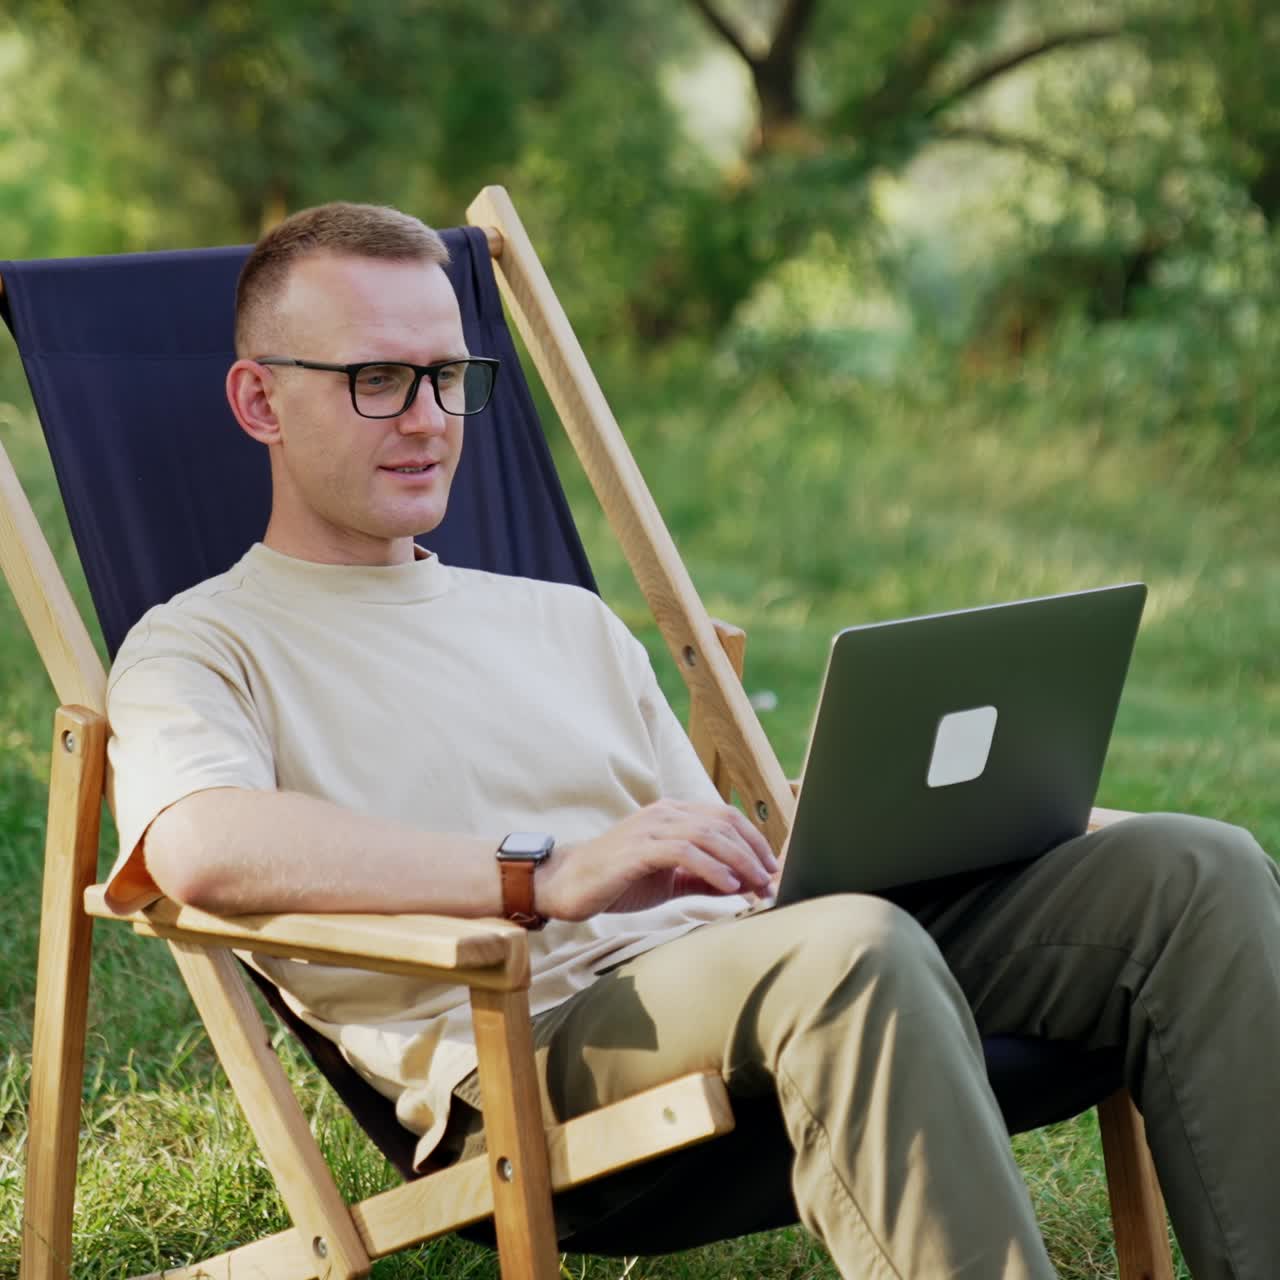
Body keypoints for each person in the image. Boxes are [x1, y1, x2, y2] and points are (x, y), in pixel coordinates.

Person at [104, 201, 1280, 1280]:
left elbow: (733, 853)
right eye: (375, 379)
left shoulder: (562, 619)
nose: (427, 418)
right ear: (259, 401)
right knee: (846, 951)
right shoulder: (201, 643)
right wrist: (542, 873)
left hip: (748, 969)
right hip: (531, 1042)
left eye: (447, 376)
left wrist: (998, 819)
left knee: (1193, 870)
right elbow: (200, 843)